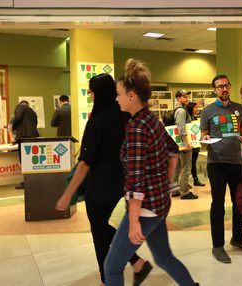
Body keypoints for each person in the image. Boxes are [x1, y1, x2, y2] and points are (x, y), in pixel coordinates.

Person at [104, 59, 198, 286]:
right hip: (159, 204)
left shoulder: (137, 127)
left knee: (112, 266)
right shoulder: (150, 119)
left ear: (132, 95)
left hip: (145, 209)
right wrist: (165, 183)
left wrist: (134, 220)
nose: (115, 98)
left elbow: (136, 181)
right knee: (164, 258)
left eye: (118, 94)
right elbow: (173, 151)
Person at [55, 73, 151, 286]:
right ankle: (136, 262)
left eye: (91, 91)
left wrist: (68, 193)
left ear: (98, 93)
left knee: (99, 232)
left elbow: (85, 162)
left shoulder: (97, 121)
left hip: (100, 185)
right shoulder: (126, 116)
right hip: (123, 182)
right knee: (102, 227)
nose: (90, 95)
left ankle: (108, 279)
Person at [200, 74, 242, 264]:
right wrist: (204, 142)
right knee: (218, 206)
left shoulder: (239, 108)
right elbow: (204, 138)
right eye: (220, 86)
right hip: (217, 164)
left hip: (237, 163)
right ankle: (218, 246)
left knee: (239, 203)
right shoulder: (207, 111)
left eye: (226, 85)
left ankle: (237, 239)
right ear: (214, 90)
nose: (224, 89)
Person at [171, 90, 198, 199]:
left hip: (178, 143)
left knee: (177, 167)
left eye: (187, 96)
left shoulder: (177, 110)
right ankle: (184, 192)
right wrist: (187, 143)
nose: (187, 98)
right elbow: (181, 127)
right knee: (186, 168)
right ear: (178, 98)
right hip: (184, 143)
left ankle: (174, 190)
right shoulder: (181, 111)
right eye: (184, 97)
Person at [186, 101, 206, 187]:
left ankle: (195, 179)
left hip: (195, 144)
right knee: (188, 164)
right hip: (190, 144)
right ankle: (186, 182)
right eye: (196, 107)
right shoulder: (187, 118)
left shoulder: (194, 117)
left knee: (193, 163)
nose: (197, 109)